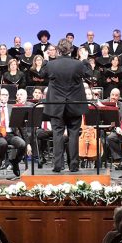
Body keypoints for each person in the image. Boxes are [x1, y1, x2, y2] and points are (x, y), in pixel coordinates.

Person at [43, 38, 92, 172]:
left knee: (57, 134)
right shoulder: (78, 64)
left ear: (58, 50)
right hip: (74, 105)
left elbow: (42, 74)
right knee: (74, 134)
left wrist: (46, 59)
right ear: (71, 50)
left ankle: (58, 165)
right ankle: (74, 166)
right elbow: (90, 73)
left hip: (56, 105)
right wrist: (84, 59)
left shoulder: (51, 64)